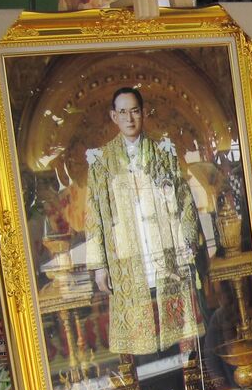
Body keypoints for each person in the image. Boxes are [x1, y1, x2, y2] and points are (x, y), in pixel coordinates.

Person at [83, 87, 206, 359]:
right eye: (123, 112)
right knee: (140, 343)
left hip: (164, 254)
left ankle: (186, 381)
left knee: (178, 332)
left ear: (143, 113)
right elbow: (93, 216)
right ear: (114, 116)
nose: (129, 118)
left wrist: (187, 242)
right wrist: (100, 266)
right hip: (126, 259)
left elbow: (184, 200)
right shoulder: (101, 161)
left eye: (135, 111)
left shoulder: (163, 152)